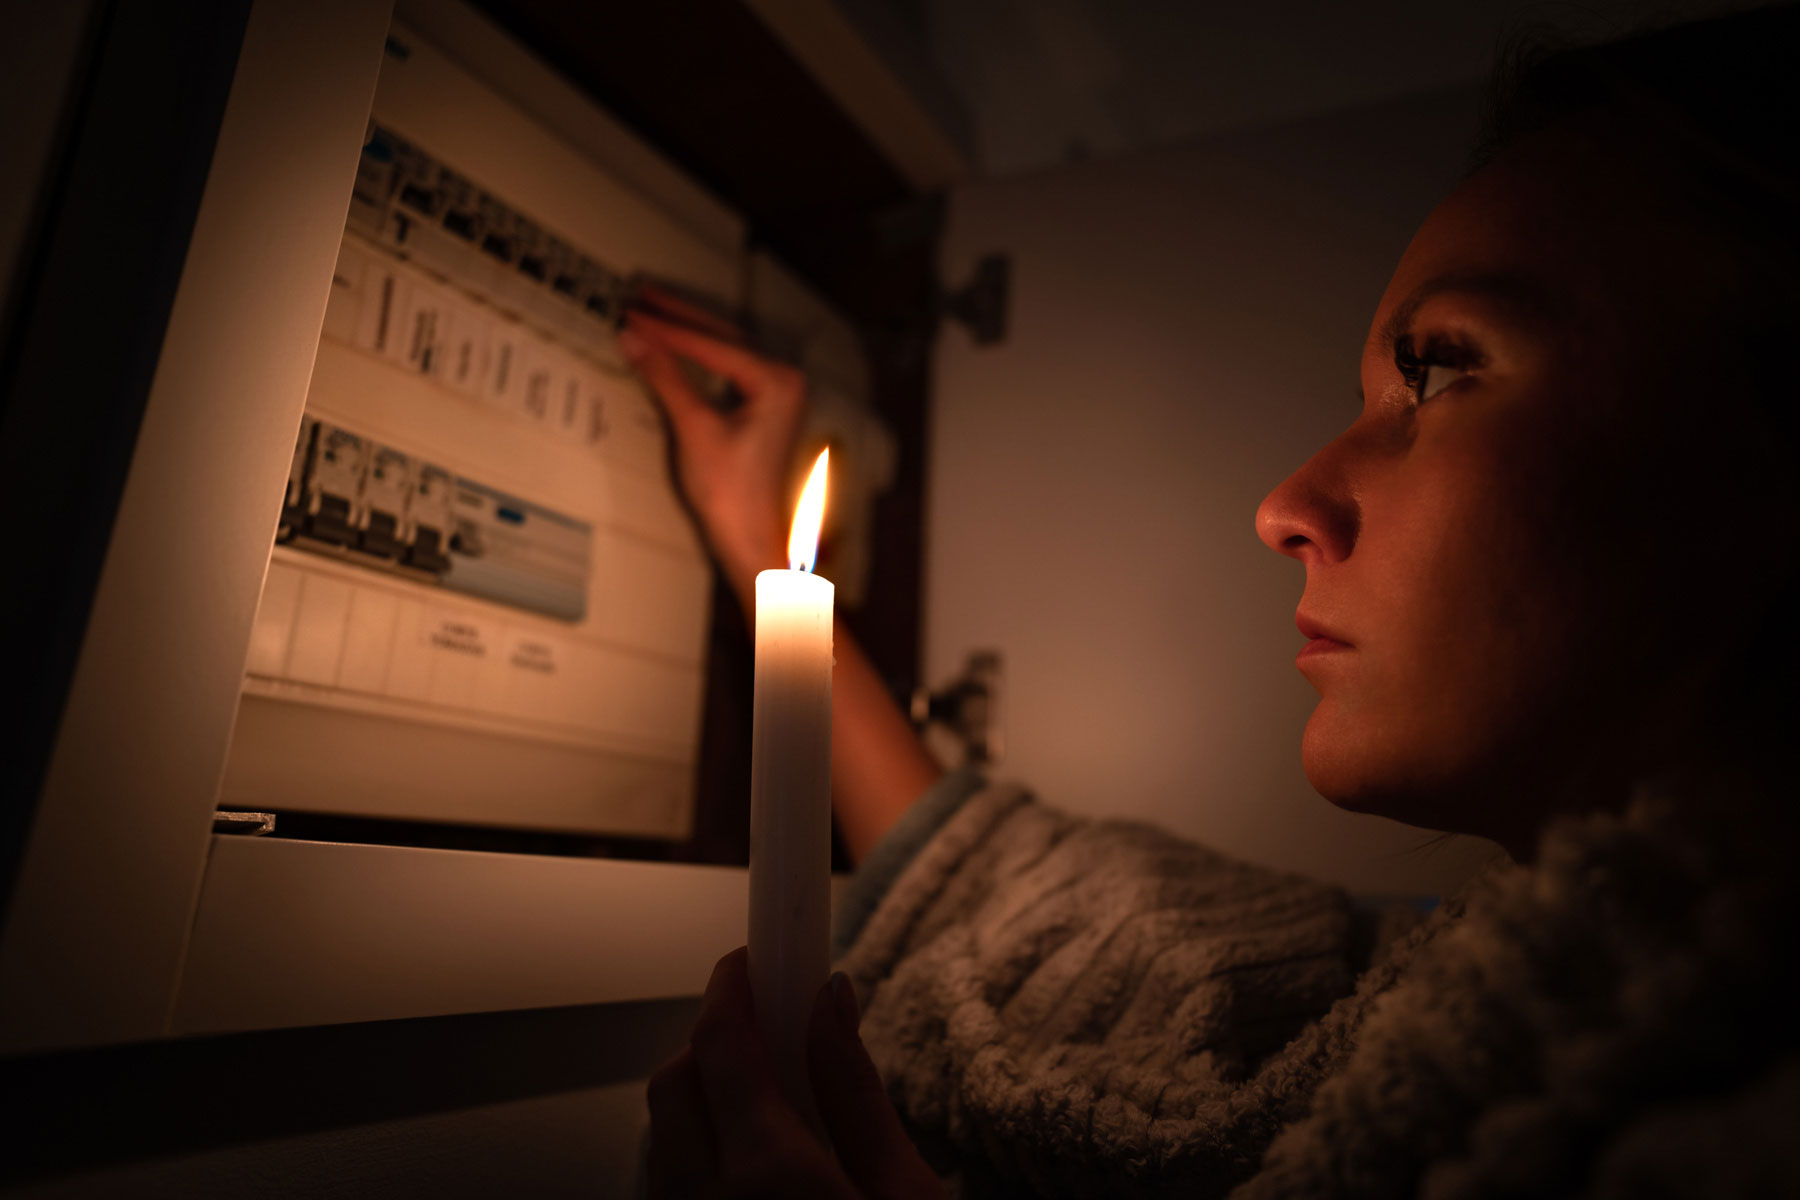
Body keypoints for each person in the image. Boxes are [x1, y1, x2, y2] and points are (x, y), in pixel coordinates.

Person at [626, 7, 1800, 1196]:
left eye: (1435, 370)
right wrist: (755, 542)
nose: (1285, 504)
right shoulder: (1478, 987)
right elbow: (1043, 899)